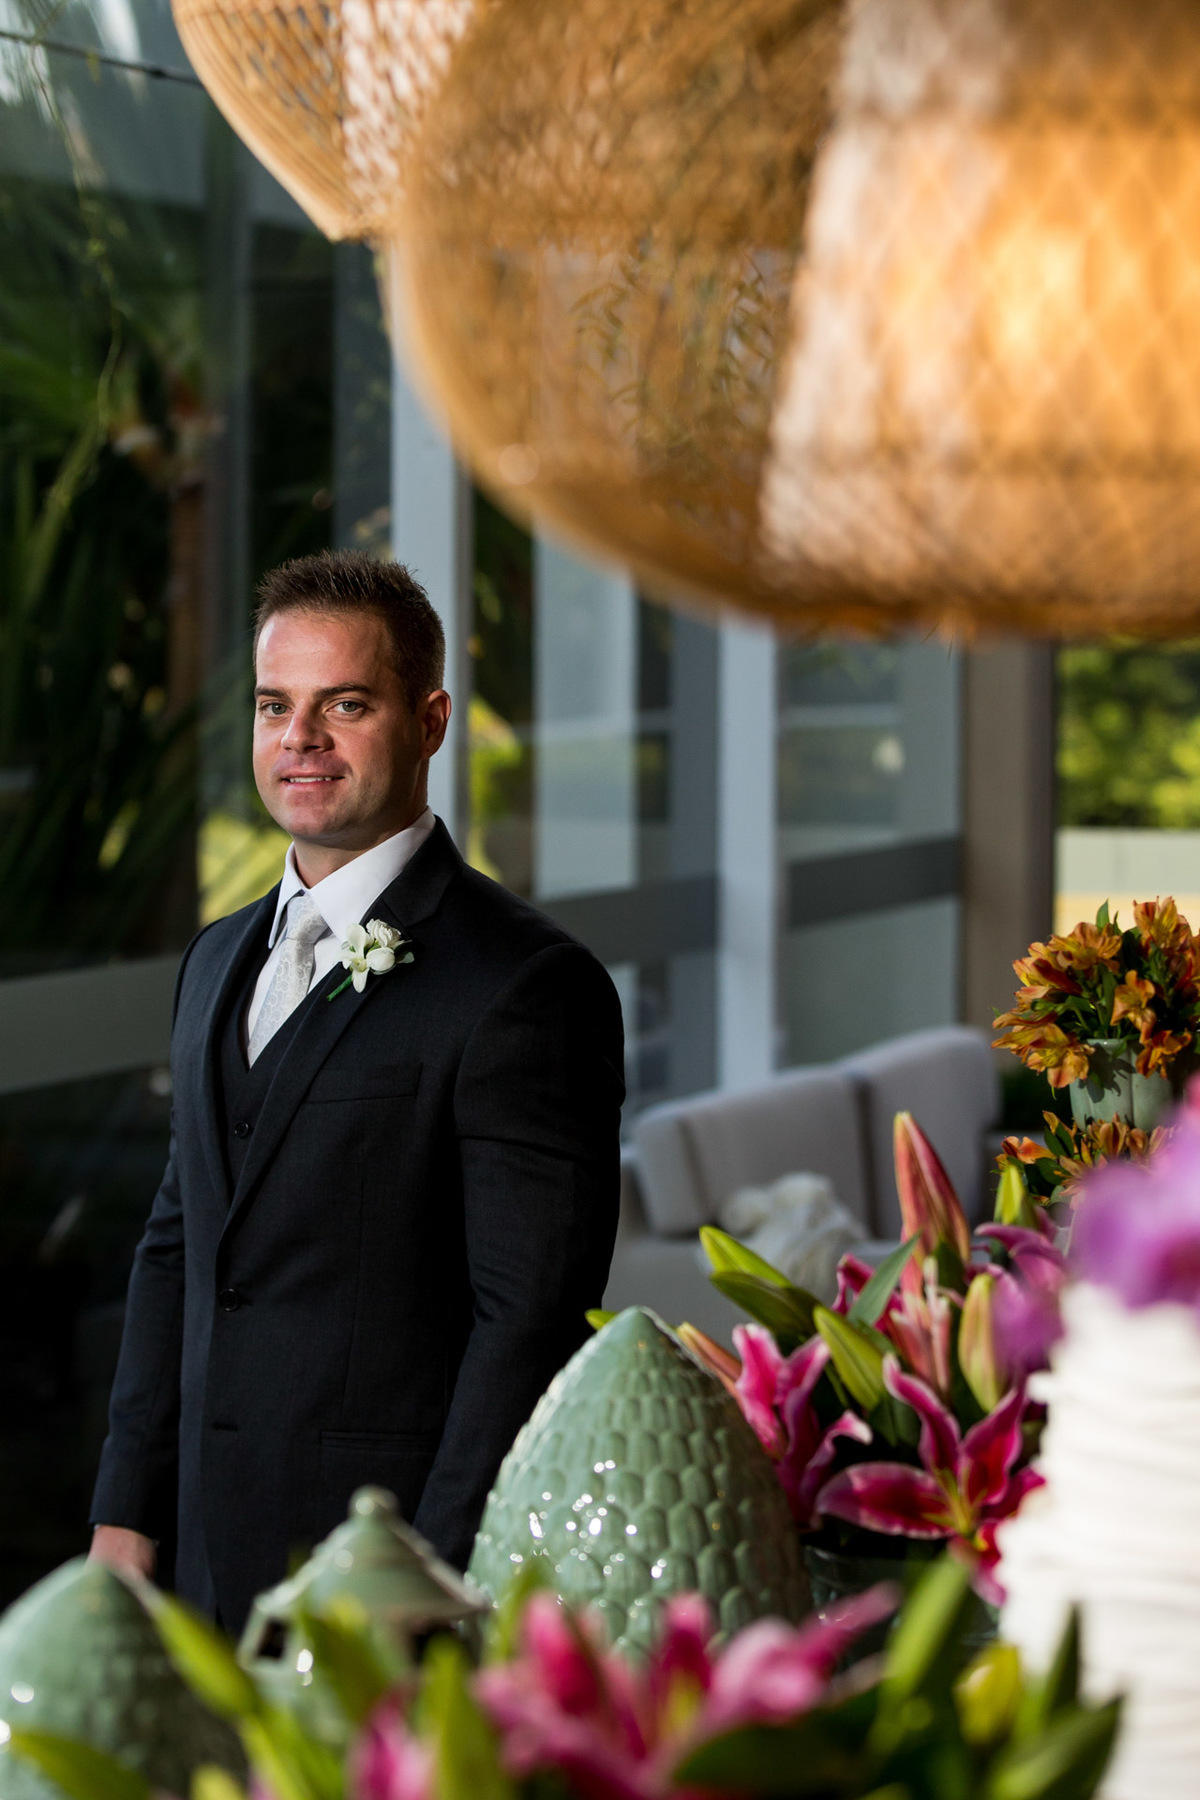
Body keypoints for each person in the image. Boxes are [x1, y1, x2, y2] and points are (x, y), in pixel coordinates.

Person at [89, 550, 625, 1632]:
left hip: (379, 1567)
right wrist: (126, 1510)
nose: (301, 739)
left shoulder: (526, 986)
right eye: (275, 705)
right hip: (194, 1546)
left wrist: (430, 1576)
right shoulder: (214, 959)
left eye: (345, 704)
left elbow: (524, 1323)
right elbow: (179, 1243)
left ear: (430, 721)